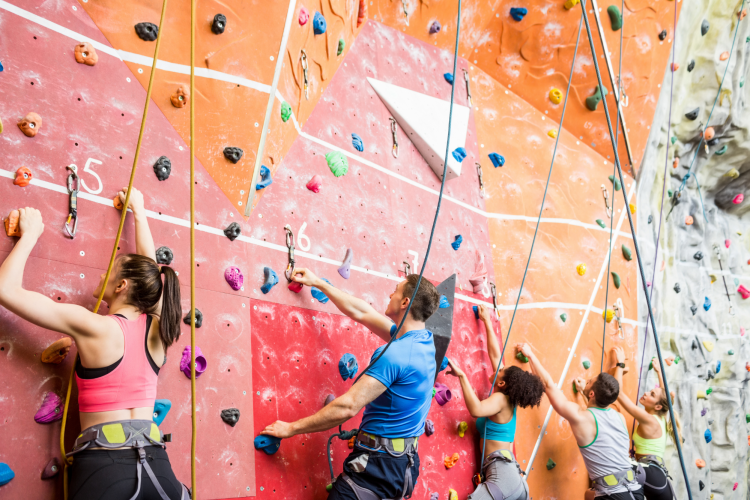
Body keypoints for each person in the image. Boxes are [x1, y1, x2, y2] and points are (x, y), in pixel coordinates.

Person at [0, 188, 188, 500]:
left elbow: (6, 290)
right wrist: (138, 211)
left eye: (109, 271)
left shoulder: (94, 326)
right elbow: (150, 270)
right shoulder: (158, 329)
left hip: (107, 472)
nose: (102, 275)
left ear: (121, 285)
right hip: (160, 472)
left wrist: (30, 234)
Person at [260, 268, 440, 500]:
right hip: (402, 463)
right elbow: (363, 312)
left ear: (405, 302)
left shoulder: (398, 354)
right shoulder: (422, 341)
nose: (390, 295)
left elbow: (348, 406)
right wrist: (318, 283)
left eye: (395, 292)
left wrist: (291, 429)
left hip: (379, 468)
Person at [517, 343, 644, 500]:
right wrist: (586, 393)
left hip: (612, 496)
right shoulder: (619, 417)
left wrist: (530, 354)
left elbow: (548, 384)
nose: (587, 380)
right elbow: (596, 417)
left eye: (589, 380)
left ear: (591, 394)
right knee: (588, 495)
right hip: (635, 490)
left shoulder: (580, 417)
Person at [445, 305, 544, 500]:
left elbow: (476, 409)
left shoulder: (499, 399)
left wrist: (462, 376)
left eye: (500, 371)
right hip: (510, 477)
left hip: (503, 477)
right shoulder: (508, 397)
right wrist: (487, 322)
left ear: (501, 383)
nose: (497, 368)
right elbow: (495, 356)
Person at [610, 347, 678, 500]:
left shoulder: (649, 419)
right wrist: (659, 372)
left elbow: (618, 393)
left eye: (652, 394)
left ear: (658, 406)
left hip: (651, 474)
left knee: (612, 464)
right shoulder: (661, 416)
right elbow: (664, 394)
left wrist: (620, 364)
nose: (647, 393)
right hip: (656, 477)